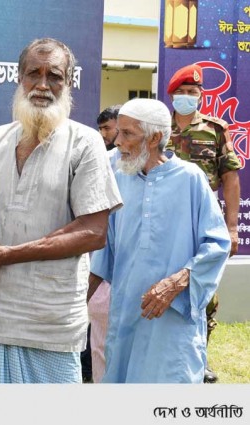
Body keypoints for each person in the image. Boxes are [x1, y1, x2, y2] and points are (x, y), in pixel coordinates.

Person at [0, 38, 122, 383]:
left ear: (68, 82)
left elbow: (93, 232)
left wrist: (5, 255)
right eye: (33, 74)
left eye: (54, 76)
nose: (42, 85)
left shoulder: (84, 143)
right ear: (19, 78)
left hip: (51, 321)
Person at [89, 98, 230, 383]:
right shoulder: (120, 179)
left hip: (172, 316)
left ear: (154, 138)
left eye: (127, 133)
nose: (117, 142)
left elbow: (217, 244)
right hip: (127, 312)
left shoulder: (191, 179)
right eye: (118, 133)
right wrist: (76, 304)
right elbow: (106, 252)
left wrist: (176, 282)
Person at [165, 63, 241, 383]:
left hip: (203, 223)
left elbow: (231, 179)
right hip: (165, 222)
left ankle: (201, 357)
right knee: (164, 285)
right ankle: (167, 355)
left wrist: (232, 227)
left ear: (201, 96)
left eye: (192, 93)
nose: (186, 98)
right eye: (181, 93)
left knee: (205, 292)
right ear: (172, 96)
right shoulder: (157, 129)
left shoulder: (215, 129)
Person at [83, 103, 122, 383]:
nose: (106, 134)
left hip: (135, 272)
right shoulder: (102, 163)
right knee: (99, 345)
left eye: (109, 128)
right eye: (102, 129)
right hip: (99, 265)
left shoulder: (177, 173)